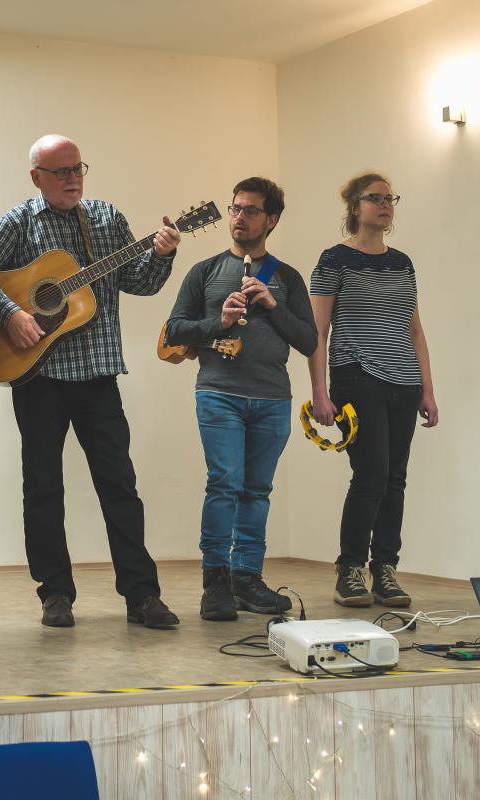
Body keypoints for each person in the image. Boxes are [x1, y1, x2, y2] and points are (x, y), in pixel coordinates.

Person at [0, 134, 181, 630]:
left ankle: (142, 594)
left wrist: (161, 254)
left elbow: (139, 282)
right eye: (61, 171)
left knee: (120, 486)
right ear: (36, 177)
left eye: (77, 169)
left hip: (98, 374)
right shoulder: (17, 222)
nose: (72, 179)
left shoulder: (106, 218)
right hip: (38, 376)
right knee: (43, 488)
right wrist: (10, 315)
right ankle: (55, 593)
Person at [164, 178, 317, 621]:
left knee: (257, 490)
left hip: (272, 398)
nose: (239, 217)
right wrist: (219, 321)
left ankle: (246, 578)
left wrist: (272, 305)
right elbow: (174, 330)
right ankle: (215, 582)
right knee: (224, 484)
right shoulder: (205, 271)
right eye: (235, 208)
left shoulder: (287, 278)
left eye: (250, 210)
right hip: (219, 394)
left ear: (271, 220)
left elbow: (309, 340)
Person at [307, 172, 439, 608]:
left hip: (404, 381)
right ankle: (350, 569)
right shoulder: (334, 259)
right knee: (371, 475)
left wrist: (427, 390)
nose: (384, 205)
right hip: (357, 377)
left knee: (395, 478)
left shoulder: (402, 263)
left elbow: (414, 330)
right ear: (354, 206)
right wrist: (320, 392)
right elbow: (317, 332)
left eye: (389, 199)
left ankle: (384, 569)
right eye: (375, 198)